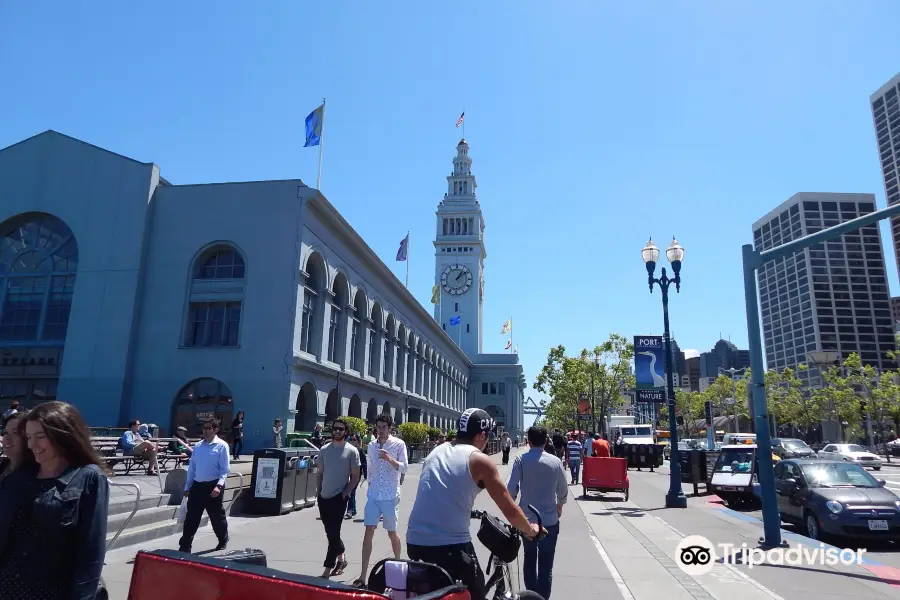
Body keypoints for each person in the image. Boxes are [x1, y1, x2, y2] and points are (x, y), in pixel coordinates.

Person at [407, 408, 543, 600]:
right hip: (449, 547)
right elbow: (510, 510)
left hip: (414, 541)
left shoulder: (437, 451)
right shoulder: (479, 460)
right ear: (481, 435)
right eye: (487, 437)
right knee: (475, 593)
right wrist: (530, 529)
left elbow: (441, 490)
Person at [0, 401, 110, 599]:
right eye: (28, 437)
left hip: (53, 592)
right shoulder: (18, 477)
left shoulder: (89, 477)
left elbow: (91, 551)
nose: (33, 445)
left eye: (40, 437)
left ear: (63, 435)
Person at [507, 427, 567, 600]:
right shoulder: (555, 462)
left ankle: (530, 596)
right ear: (546, 440)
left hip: (527, 520)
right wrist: (560, 505)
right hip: (549, 519)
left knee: (529, 557)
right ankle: (542, 598)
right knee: (546, 565)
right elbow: (562, 490)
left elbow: (511, 489)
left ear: (528, 441)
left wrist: (514, 508)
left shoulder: (521, 460)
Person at [355, 413, 408, 587]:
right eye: (378, 427)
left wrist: (389, 458)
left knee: (392, 532)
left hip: (391, 494)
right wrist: (369, 484)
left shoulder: (398, 444)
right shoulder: (371, 445)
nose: (381, 431)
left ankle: (399, 566)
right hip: (374, 493)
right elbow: (370, 466)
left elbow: (404, 467)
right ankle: (363, 575)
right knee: (368, 530)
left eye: (384, 427)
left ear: (390, 428)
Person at [178, 418, 231, 553]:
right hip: (197, 486)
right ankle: (185, 546)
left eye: (209, 428)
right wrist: (187, 487)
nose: (206, 431)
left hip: (213, 486)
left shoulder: (222, 446)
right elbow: (192, 468)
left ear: (216, 430)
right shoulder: (198, 446)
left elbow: (224, 470)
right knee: (191, 517)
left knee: (216, 517)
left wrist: (219, 486)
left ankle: (223, 538)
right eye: (204, 428)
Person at [317, 418, 360, 578]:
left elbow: (355, 476)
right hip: (323, 497)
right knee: (331, 533)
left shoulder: (351, 451)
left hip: (338, 498)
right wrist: (318, 492)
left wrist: (346, 492)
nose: (337, 431)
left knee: (334, 533)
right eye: (335, 428)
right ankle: (342, 558)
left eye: (341, 429)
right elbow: (320, 473)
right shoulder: (324, 450)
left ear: (346, 432)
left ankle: (328, 568)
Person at [0, 412, 32, 485]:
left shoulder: (30, 478)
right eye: (6, 432)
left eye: (15, 433)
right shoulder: (3, 465)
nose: (7, 437)